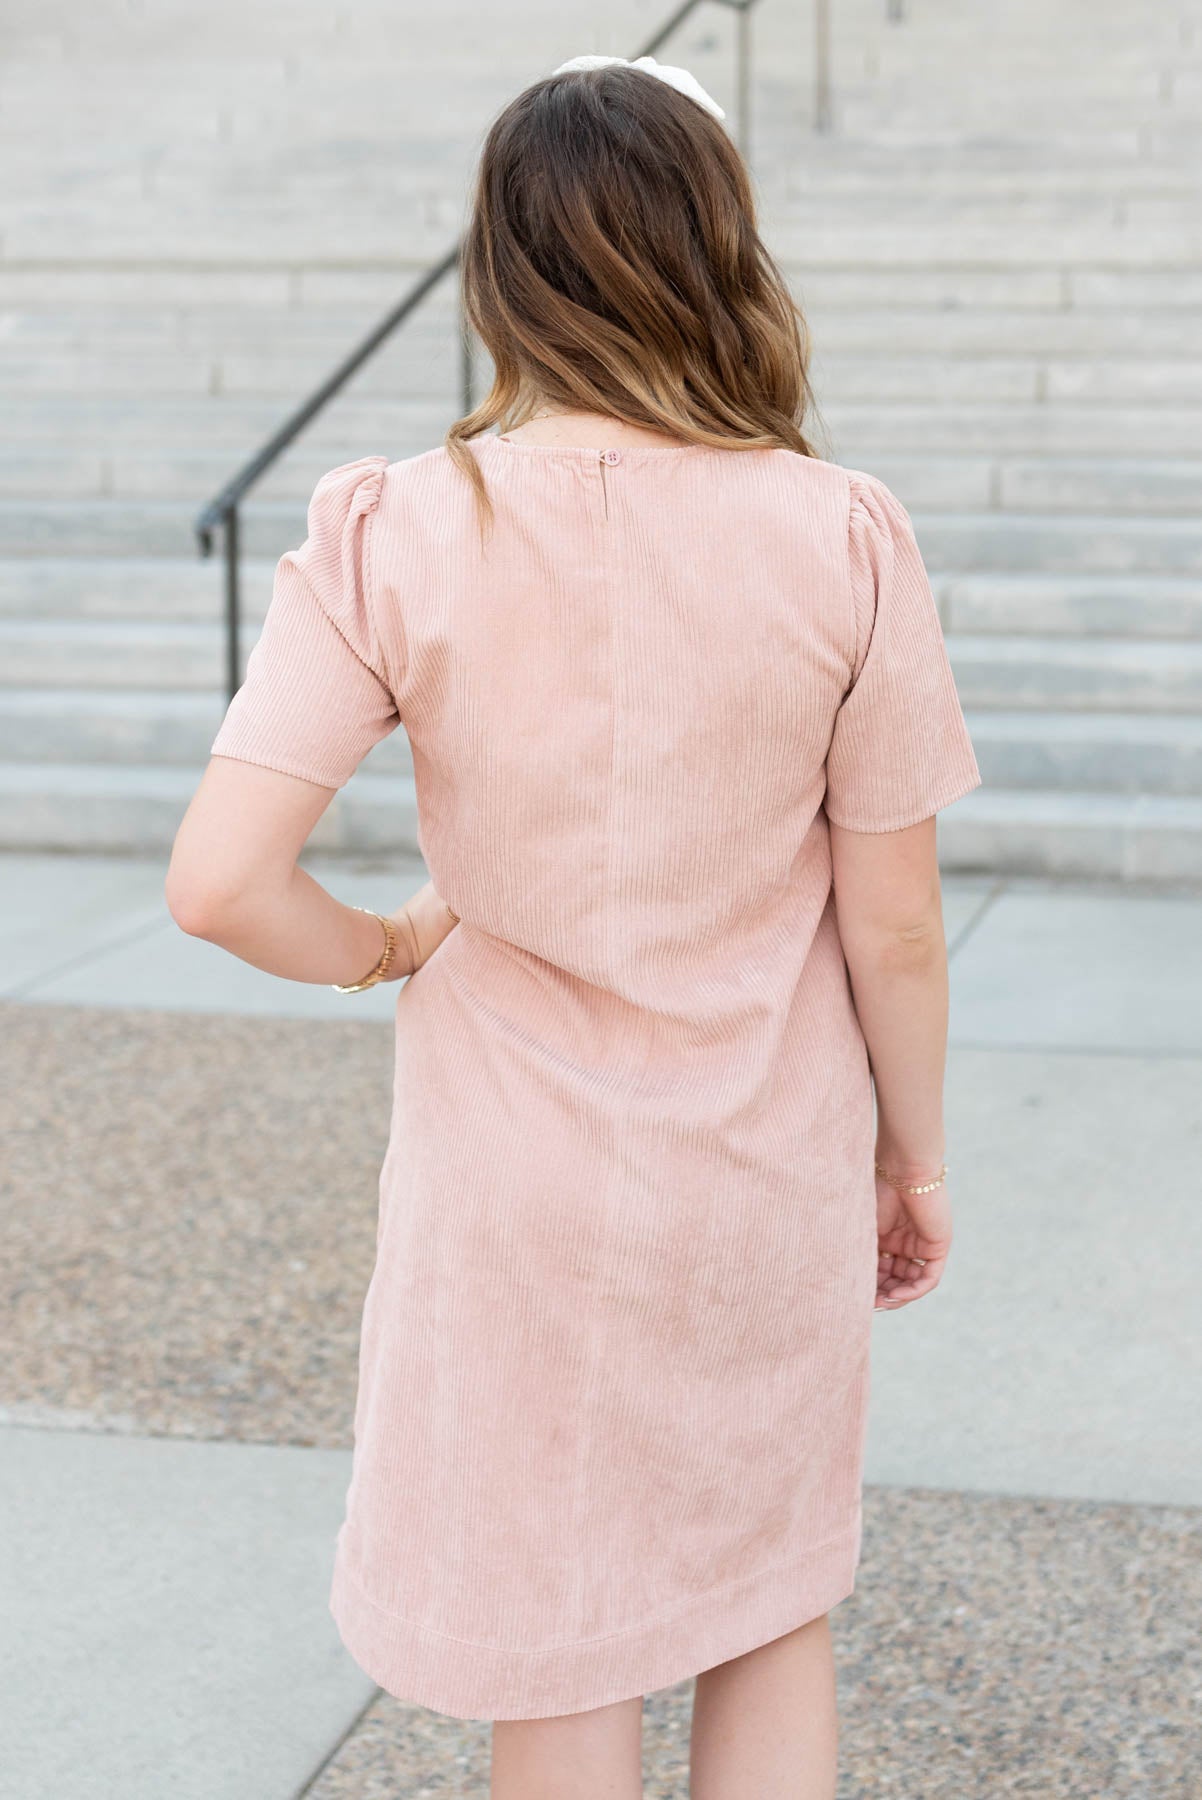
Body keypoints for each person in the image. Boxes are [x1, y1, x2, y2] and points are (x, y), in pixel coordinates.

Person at [166, 49, 981, 1800]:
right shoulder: (841, 534)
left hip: (513, 1170)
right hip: (760, 1153)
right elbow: (895, 927)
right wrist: (909, 1161)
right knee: (765, 1608)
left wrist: (383, 944)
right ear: (715, 249)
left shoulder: (394, 527)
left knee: (559, 1640)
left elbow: (221, 881)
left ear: (502, 267)